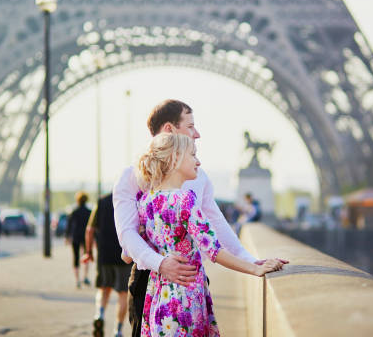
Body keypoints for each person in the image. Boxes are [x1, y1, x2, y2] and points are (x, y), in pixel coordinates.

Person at [113, 99, 288, 337]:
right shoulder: (131, 178)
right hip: (153, 281)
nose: (197, 133)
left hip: (174, 286)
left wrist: (250, 259)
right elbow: (127, 236)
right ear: (169, 130)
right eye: (190, 126)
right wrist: (161, 263)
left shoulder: (190, 180)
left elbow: (216, 222)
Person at [82, 194, 133, 337]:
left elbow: (89, 230)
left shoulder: (101, 201)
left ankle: (100, 314)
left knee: (104, 289)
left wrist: (88, 252)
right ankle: (118, 330)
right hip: (124, 255)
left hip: (104, 254)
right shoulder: (129, 199)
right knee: (123, 293)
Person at [66, 191, 92, 288]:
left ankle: (77, 281)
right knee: (86, 255)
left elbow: (68, 226)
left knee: (76, 258)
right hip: (86, 237)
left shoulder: (74, 212)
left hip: (75, 237)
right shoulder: (89, 212)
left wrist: (67, 236)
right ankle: (85, 277)